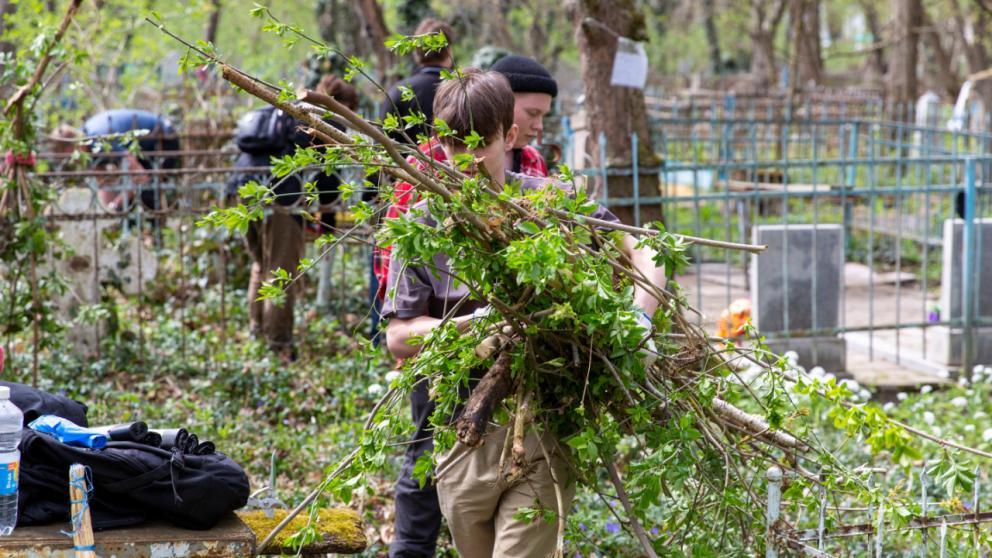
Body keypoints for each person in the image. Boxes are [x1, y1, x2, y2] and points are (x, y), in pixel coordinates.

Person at [382, 69, 665, 558]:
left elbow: (648, 250)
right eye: (452, 146)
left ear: (508, 136)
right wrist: (476, 324)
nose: (464, 161)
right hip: (460, 431)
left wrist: (640, 317)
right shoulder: (420, 227)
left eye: (479, 145)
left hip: (544, 431)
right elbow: (399, 337)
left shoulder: (547, 203)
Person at [228, 76, 359, 361]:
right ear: (344, 106)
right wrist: (329, 221)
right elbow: (329, 177)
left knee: (261, 264)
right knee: (280, 272)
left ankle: (256, 331)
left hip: (241, 191)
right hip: (279, 197)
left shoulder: (284, 109)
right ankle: (279, 347)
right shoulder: (326, 121)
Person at [80, 109, 180, 211]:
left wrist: (116, 204)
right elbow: (103, 183)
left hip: (163, 138)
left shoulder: (97, 139)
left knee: (148, 189)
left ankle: (154, 224)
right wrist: (109, 208)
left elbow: (140, 176)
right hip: (143, 147)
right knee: (129, 197)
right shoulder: (86, 139)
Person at [380, 18, 455, 145]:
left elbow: (383, 145)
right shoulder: (463, 88)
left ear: (416, 53)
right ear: (449, 50)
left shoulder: (398, 92)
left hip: (404, 164)